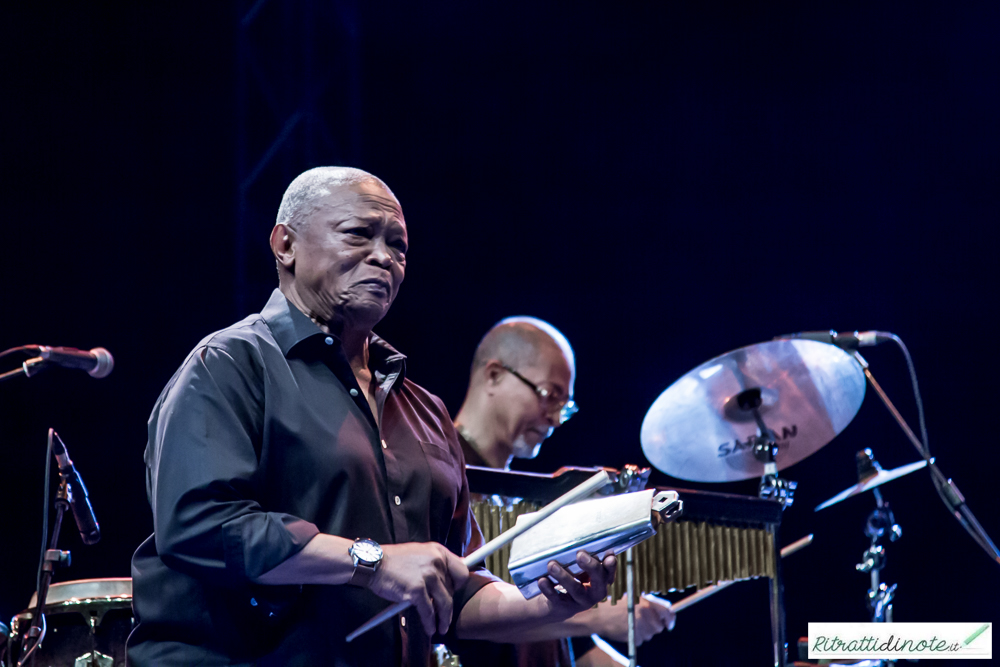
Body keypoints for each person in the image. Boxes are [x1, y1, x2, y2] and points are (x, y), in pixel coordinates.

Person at [126, 167, 616, 667]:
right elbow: (200, 525)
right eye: (359, 234)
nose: (385, 258)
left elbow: (456, 587)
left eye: (398, 245)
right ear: (285, 245)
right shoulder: (230, 364)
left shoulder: (425, 411)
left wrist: (547, 602)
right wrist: (372, 561)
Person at [449, 318, 676, 666]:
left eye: (564, 406)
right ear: (494, 375)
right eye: (549, 395)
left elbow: (574, 650)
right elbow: (454, 613)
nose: (555, 419)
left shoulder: (524, 501)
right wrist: (596, 616)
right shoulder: (441, 473)